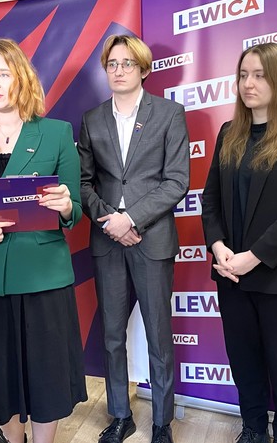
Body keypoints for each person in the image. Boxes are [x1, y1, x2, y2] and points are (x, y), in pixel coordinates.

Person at [0, 38, 87, 443]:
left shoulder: (57, 133)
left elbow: (75, 209)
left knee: (45, 377)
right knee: (0, 377)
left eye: (3, 74)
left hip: (43, 276)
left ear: (22, 78)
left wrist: (65, 205)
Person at [200, 42, 277, 443]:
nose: (248, 84)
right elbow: (211, 200)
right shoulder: (229, 132)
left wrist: (253, 257)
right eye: (243, 75)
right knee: (244, 362)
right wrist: (218, 246)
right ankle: (253, 429)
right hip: (232, 275)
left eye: (259, 75)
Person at [77, 34, 189, 443]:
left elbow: (176, 180)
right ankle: (120, 416)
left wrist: (131, 219)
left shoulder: (169, 113)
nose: (119, 70)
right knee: (111, 336)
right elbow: (83, 182)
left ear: (143, 69)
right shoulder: (92, 119)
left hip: (151, 239)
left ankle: (162, 422)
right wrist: (112, 221)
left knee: (159, 335)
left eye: (127, 63)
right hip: (108, 240)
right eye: (112, 64)